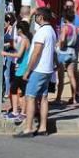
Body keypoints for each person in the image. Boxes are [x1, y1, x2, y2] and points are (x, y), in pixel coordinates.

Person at [16, 8, 57, 138]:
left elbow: (36, 52)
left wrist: (28, 71)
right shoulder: (51, 31)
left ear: (40, 17)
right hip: (47, 69)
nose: (35, 18)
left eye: (36, 15)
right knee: (44, 98)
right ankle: (43, 127)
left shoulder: (41, 32)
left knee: (30, 97)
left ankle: (28, 128)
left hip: (38, 69)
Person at [2, 19, 31, 122]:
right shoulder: (27, 39)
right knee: (20, 90)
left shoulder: (24, 40)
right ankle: (20, 112)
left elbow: (19, 54)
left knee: (15, 89)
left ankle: (18, 112)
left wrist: (6, 54)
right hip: (21, 67)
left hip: (22, 68)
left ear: (20, 30)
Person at [53, 7, 79, 105]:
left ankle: (58, 98)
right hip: (72, 52)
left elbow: (63, 39)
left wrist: (60, 44)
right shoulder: (75, 28)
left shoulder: (65, 27)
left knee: (61, 77)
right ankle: (74, 98)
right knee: (71, 76)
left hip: (64, 52)